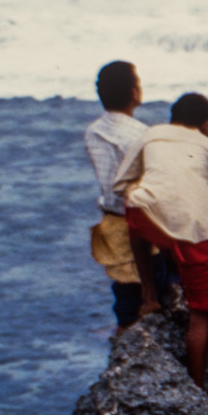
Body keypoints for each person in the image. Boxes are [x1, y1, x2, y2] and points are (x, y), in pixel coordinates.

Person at [115, 92, 208, 390]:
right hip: (194, 231)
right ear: (207, 123)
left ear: (172, 117)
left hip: (145, 217)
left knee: (137, 209)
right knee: (201, 313)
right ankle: (196, 386)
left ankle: (149, 296)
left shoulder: (151, 133)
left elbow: (119, 183)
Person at [83, 60, 150, 332]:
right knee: (148, 294)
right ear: (134, 93)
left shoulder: (93, 132)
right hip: (139, 221)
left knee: (125, 297)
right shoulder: (143, 134)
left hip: (111, 220)